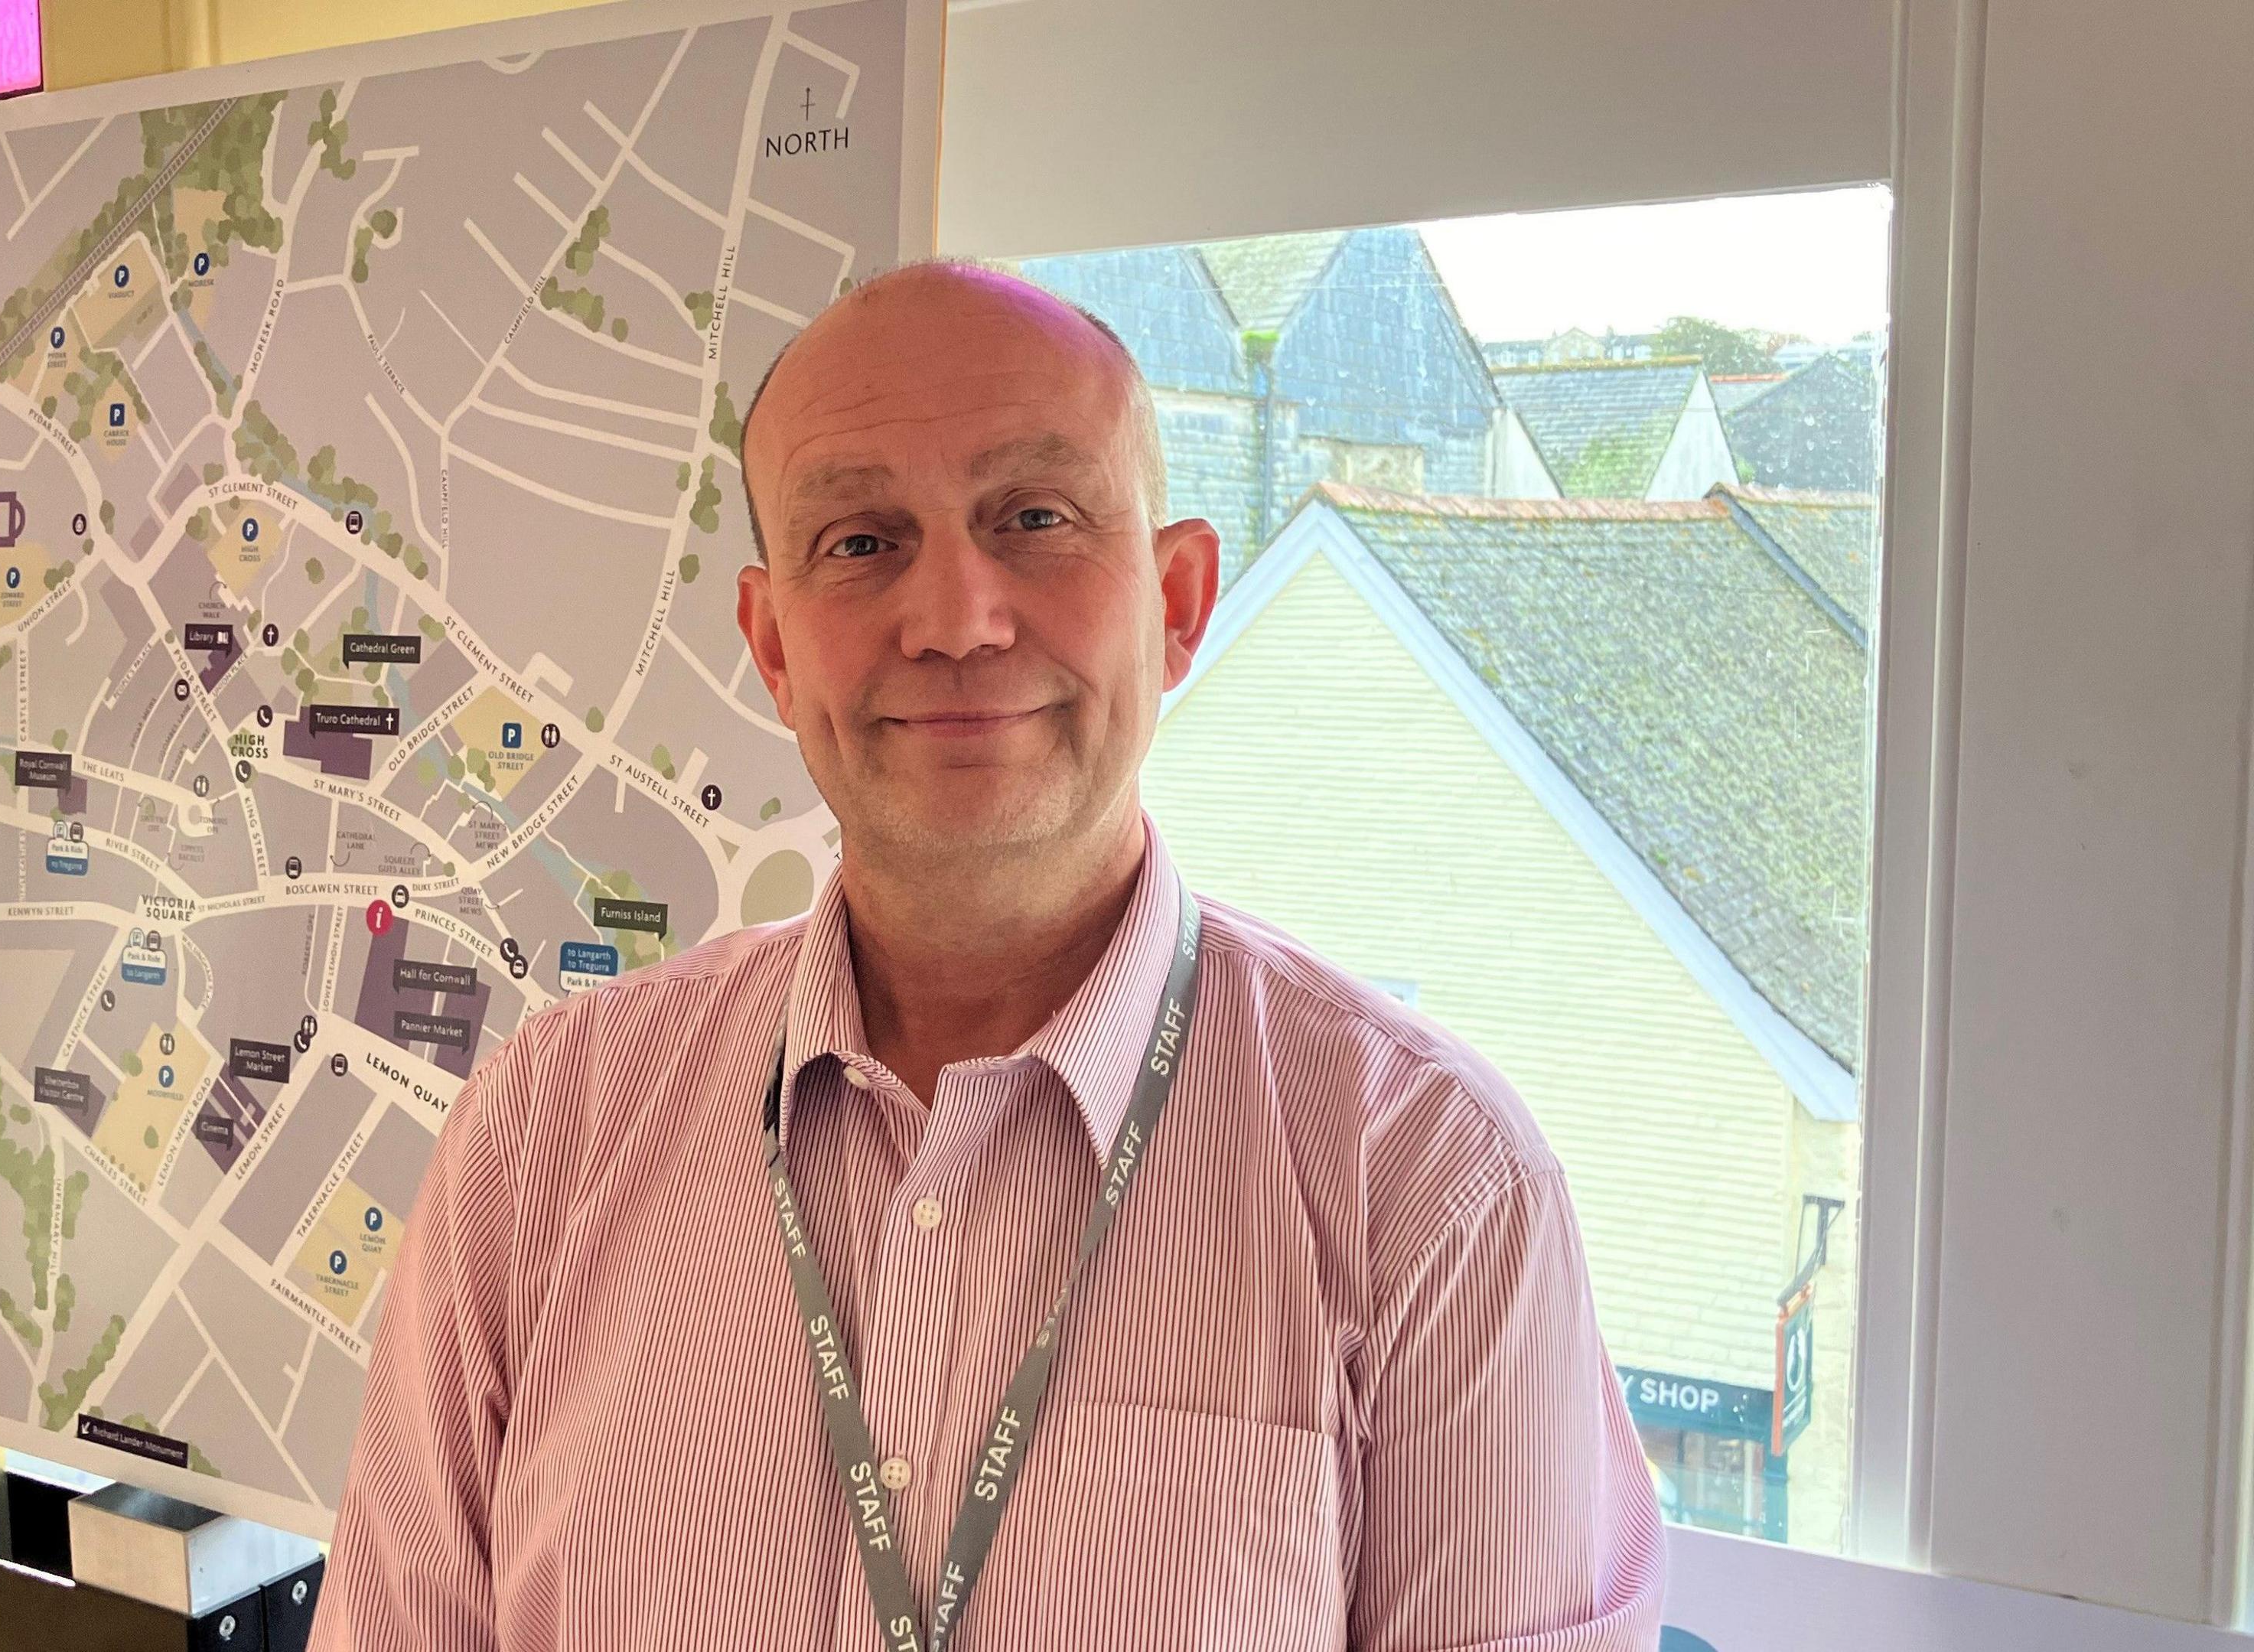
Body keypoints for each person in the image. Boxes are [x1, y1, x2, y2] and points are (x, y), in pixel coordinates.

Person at [321, 261, 1666, 1650]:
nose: (956, 618)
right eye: (859, 541)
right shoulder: (546, 1131)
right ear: (775, 650)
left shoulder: (1435, 1194)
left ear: (1181, 600)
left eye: (1035, 518)